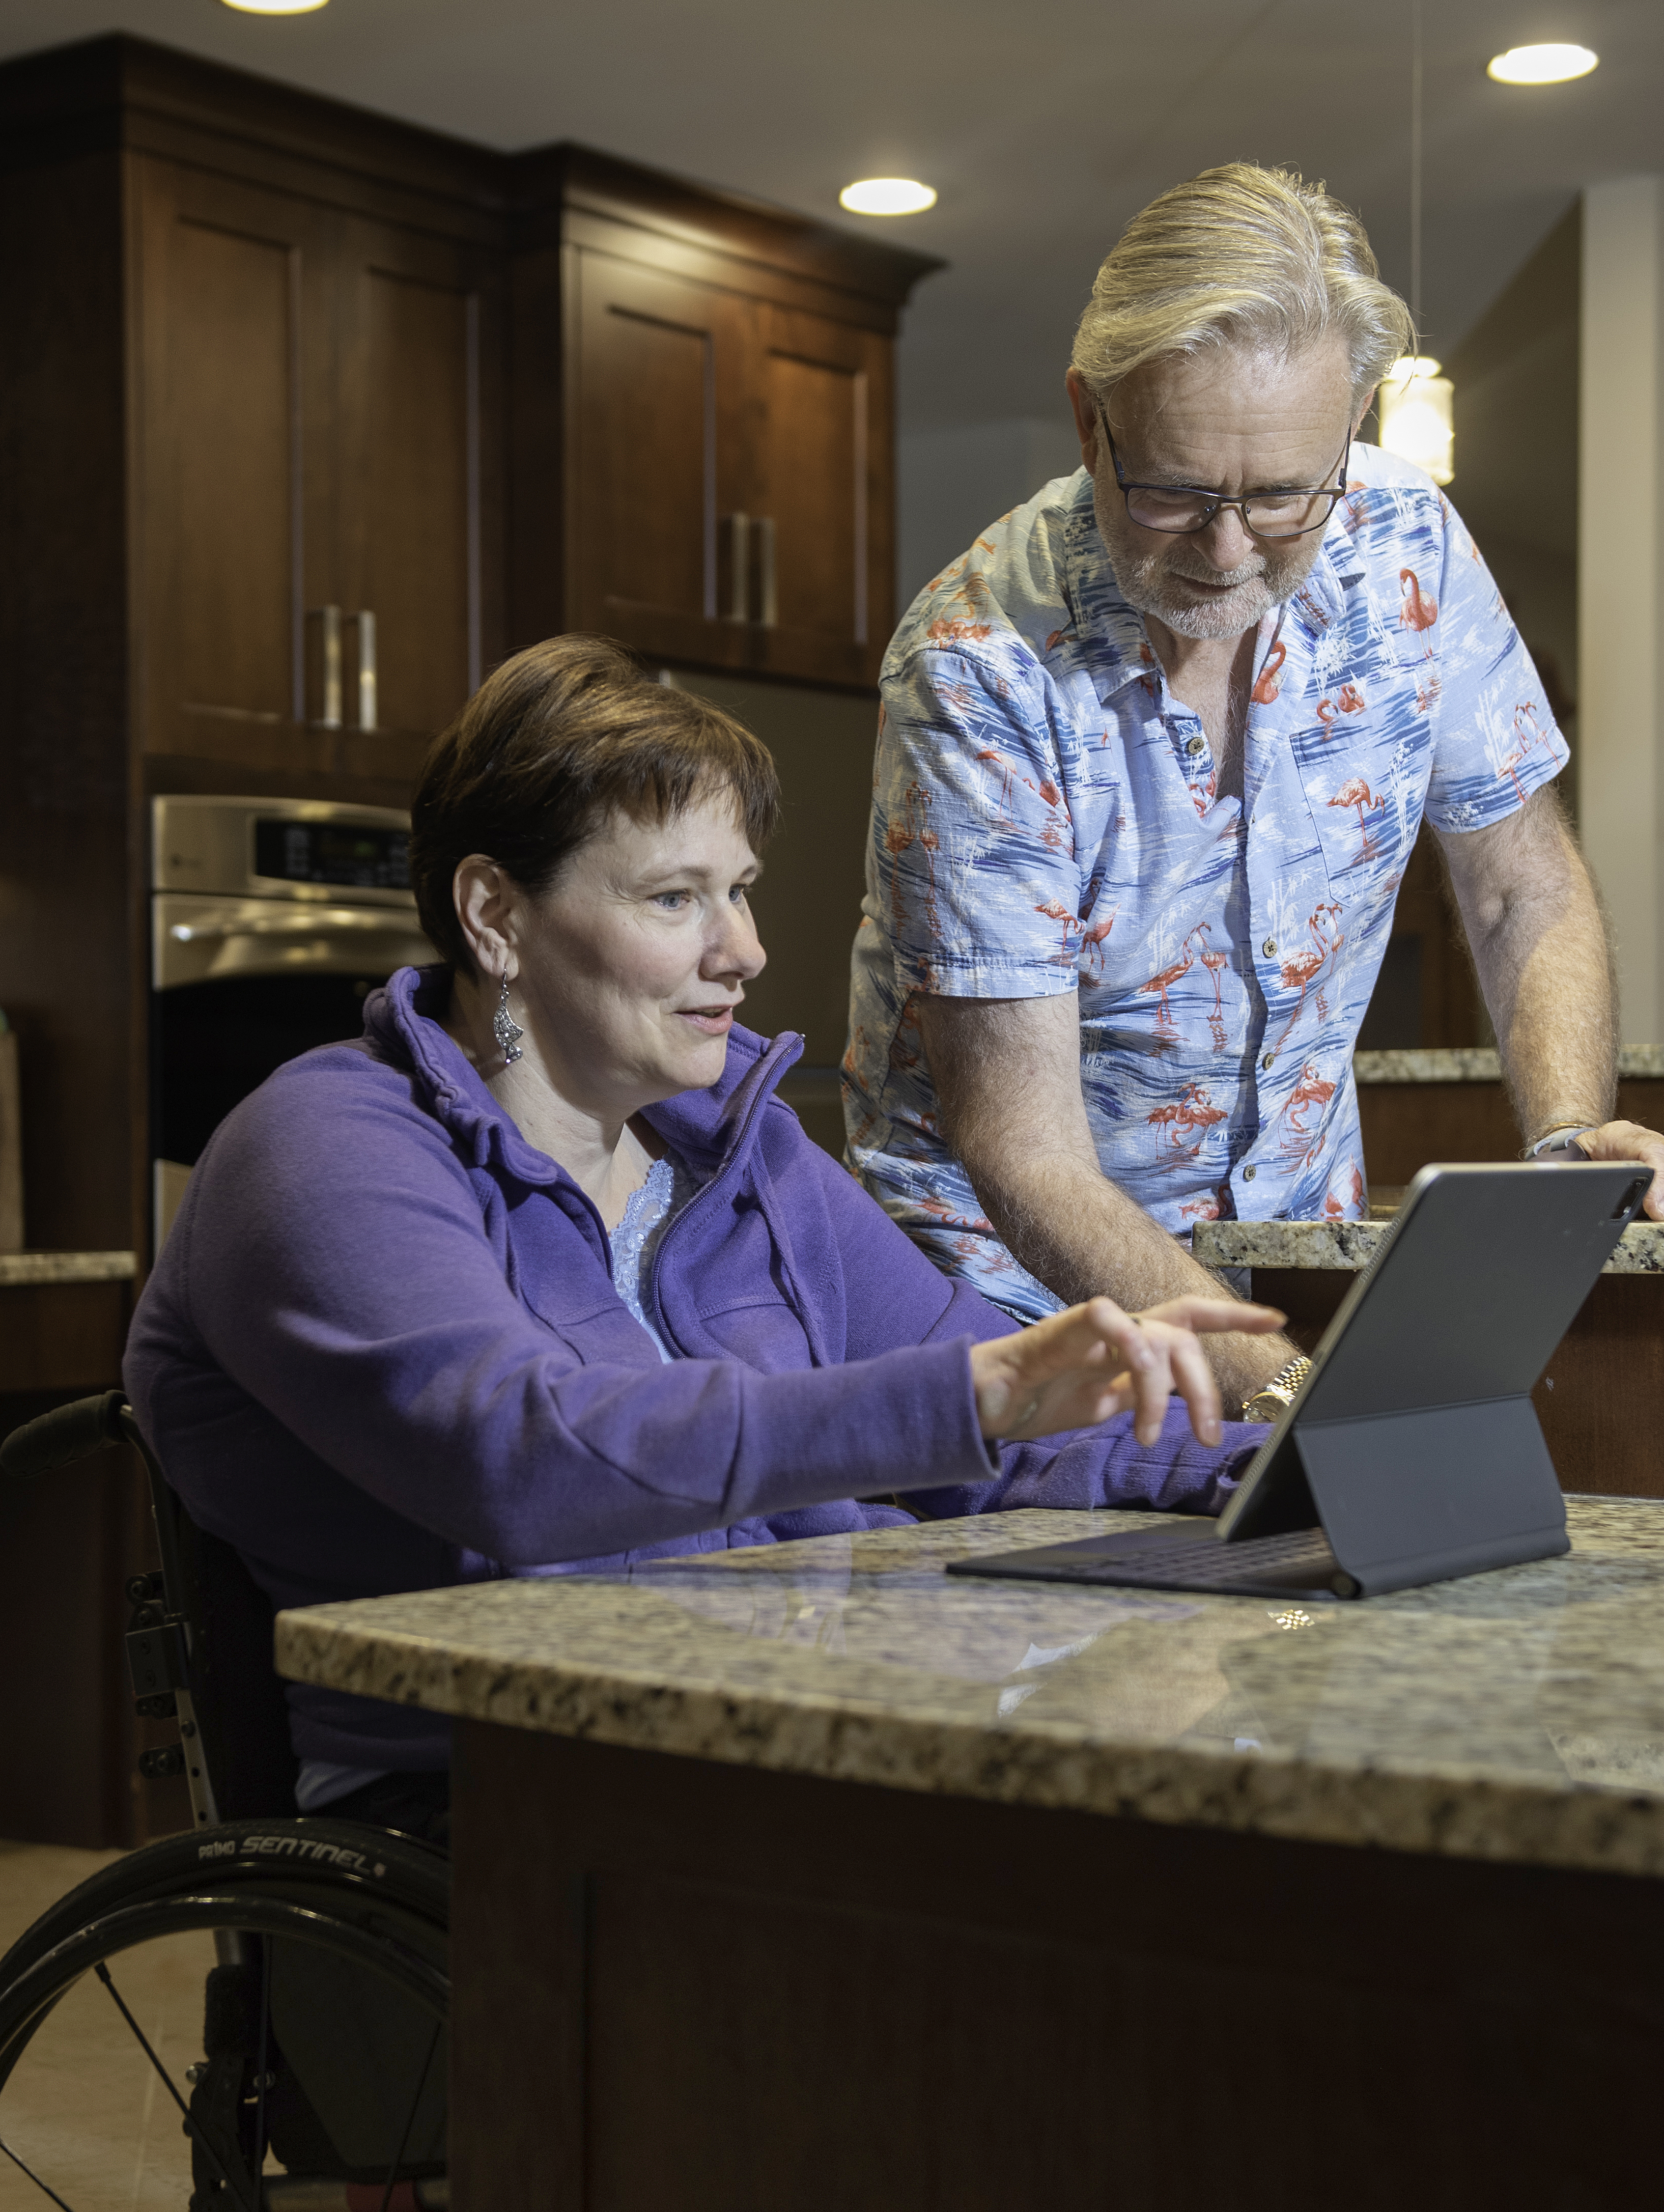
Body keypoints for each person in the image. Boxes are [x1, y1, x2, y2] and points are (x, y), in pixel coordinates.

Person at [123, 637, 1280, 1821]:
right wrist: (966, 1401)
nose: (745, 950)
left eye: (739, 889)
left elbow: (1023, 1431)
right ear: (494, 916)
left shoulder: (742, 1152)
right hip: (514, 1798)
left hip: (810, 1731)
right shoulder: (323, 1146)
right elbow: (520, 1458)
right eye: (675, 898)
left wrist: (1301, 1472)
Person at [846, 163, 1664, 1426]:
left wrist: (1568, 1139)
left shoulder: (1406, 543)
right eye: (1177, 493)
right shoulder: (978, 668)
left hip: (1285, 1267)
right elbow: (1021, 1147)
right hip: (1006, 1309)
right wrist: (1311, 1406)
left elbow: (1521, 884)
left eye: (1280, 495)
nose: (1228, 549)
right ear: (1090, 421)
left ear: (1353, 420)